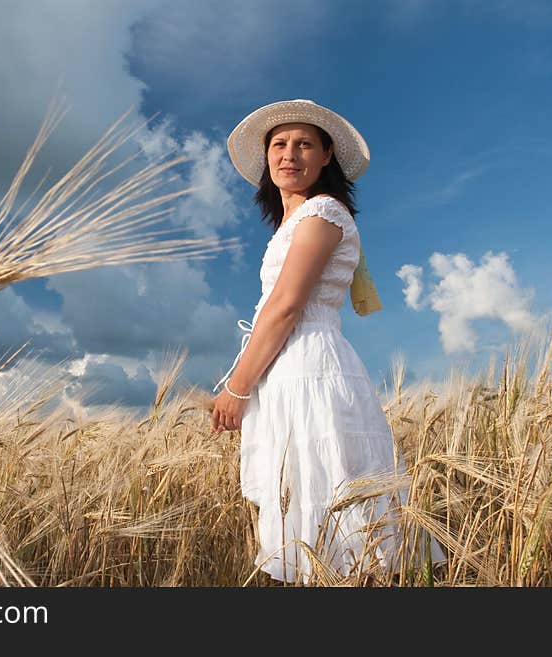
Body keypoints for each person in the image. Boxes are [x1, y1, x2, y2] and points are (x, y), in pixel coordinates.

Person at [211, 99, 446, 584]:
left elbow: (286, 307)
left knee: (327, 493)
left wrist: (236, 389)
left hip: (309, 366)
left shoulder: (323, 212)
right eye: (279, 144)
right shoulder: (294, 222)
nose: (289, 154)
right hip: (287, 367)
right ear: (267, 157)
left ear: (326, 156)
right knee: (303, 496)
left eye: (303, 144)